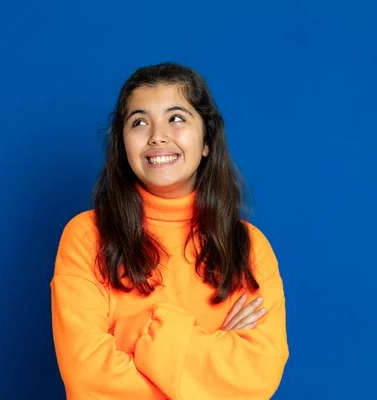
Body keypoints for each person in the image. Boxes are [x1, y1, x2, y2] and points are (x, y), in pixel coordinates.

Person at [50, 62, 289, 400]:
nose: (157, 135)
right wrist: (212, 349)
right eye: (139, 122)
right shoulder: (87, 236)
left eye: (176, 118)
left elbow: (256, 378)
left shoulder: (248, 247)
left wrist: (136, 334)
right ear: (122, 144)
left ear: (206, 140)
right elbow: (87, 381)